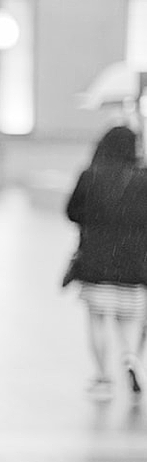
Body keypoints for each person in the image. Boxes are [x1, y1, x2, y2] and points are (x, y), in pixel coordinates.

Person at [63, 124, 147, 402]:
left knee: (98, 319)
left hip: (96, 261)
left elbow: (72, 212)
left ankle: (102, 377)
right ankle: (130, 358)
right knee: (129, 318)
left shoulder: (91, 176)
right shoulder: (143, 179)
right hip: (135, 263)